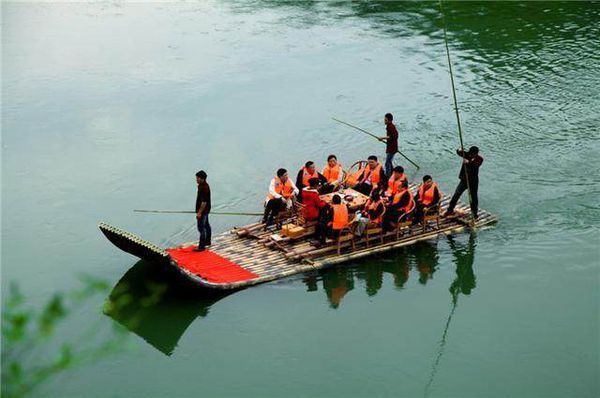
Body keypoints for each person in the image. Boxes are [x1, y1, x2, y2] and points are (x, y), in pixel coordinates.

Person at [445, 146, 484, 220]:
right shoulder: (467, 155)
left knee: (473, 198)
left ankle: (474, 214)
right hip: (464, 180)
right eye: (470, 153)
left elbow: (475, 165)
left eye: (472, 154)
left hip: (473, 181)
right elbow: (459, 153)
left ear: (476, 154)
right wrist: (459, 149)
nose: (470, 155)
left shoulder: (479, 159)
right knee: (456, 194)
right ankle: (450, 210)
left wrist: (468, 162)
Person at [194, 170, 211, 252]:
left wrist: (199, 213)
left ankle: (201, 247)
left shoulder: (204, 188)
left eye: (197, 178)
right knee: (206, 225)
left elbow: (204, 202)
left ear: (202, 179)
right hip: (206, 209)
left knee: (201, 228)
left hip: (203, 211)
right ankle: (208, 242)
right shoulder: (202, 185)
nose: (196, 180)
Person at [379, 113, 399, 177]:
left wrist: (382, 138)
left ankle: (388, 176)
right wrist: (384, 139)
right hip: (390, 146)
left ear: (390, 120)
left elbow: (393, 136)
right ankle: (392, 172)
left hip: (392, 148)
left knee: (387, 163)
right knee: (389, 161)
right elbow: (390, 137)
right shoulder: (388, 126)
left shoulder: (391, 127)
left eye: (386, 120)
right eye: (384, 120)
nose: (384, 121)